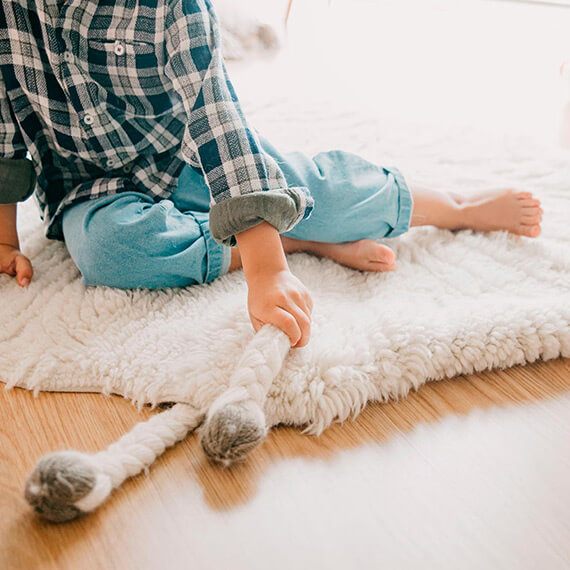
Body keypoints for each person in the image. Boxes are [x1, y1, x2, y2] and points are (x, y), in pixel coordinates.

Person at [0, 0, 542, 351]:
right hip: (89, 188)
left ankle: (455, 206)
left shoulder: (172, 9)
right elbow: (4, 125)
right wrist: (4, 235)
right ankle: (299, 240)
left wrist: (265, 269)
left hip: (185, 153)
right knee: (109, 252)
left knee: (308, 188)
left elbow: (215, 117)